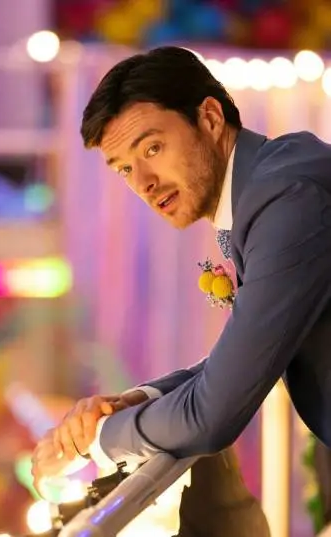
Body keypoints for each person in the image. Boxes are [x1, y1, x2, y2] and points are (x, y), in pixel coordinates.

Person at [33, 44, 331, 533]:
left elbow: (213, 416)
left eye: (152, 149)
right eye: (124, 168)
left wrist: (97, 439)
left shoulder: (288, 201)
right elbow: (246, 353)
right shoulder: (275, 177)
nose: (144, 183)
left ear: (210, 118)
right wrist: (137, 400)